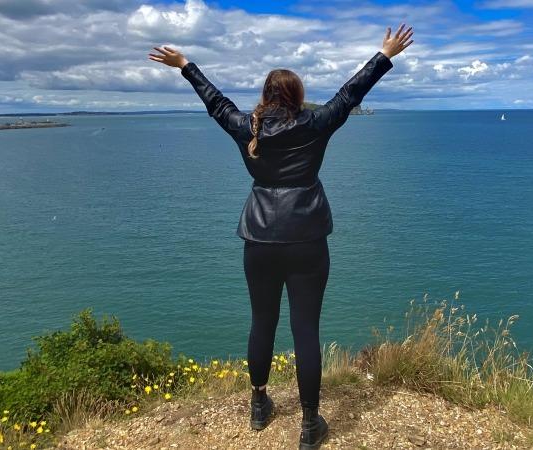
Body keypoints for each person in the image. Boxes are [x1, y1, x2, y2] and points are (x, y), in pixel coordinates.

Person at [149, 22, 413, 449]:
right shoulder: (315, 124)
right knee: (305, 329)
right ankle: (310, 425)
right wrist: (385, 55)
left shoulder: (246, 126)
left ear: (267, 95)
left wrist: (185, 66)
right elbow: (350, 93)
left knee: (262, 323)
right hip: (307, 236)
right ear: (297, 94)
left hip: (260, 239)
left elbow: (216, 102)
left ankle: (259, 405)